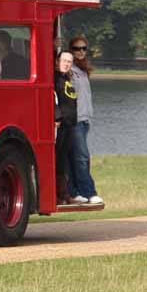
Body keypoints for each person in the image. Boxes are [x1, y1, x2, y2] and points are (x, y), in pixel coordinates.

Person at [67, 34, 103, 204]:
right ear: (70, 50)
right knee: (82, 157)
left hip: (85, 120)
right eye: (76, 48)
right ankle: (89, 192)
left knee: (76, 156)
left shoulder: (82, 70)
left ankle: (74, 192)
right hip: (75, 120)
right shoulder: (70, 69)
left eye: (83, 48)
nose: (80, 51)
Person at [53, 51, 78, 204]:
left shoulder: (66, 78)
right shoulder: (54, 78)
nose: (66, 63)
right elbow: (51, 97)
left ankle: (64, 194)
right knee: (56, 160)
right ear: (57, 61)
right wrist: (57, 117)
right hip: (60, 125)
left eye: (69, 61)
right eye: (64, 60)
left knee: (62, 161)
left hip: (70, 125)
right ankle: (56, 195)